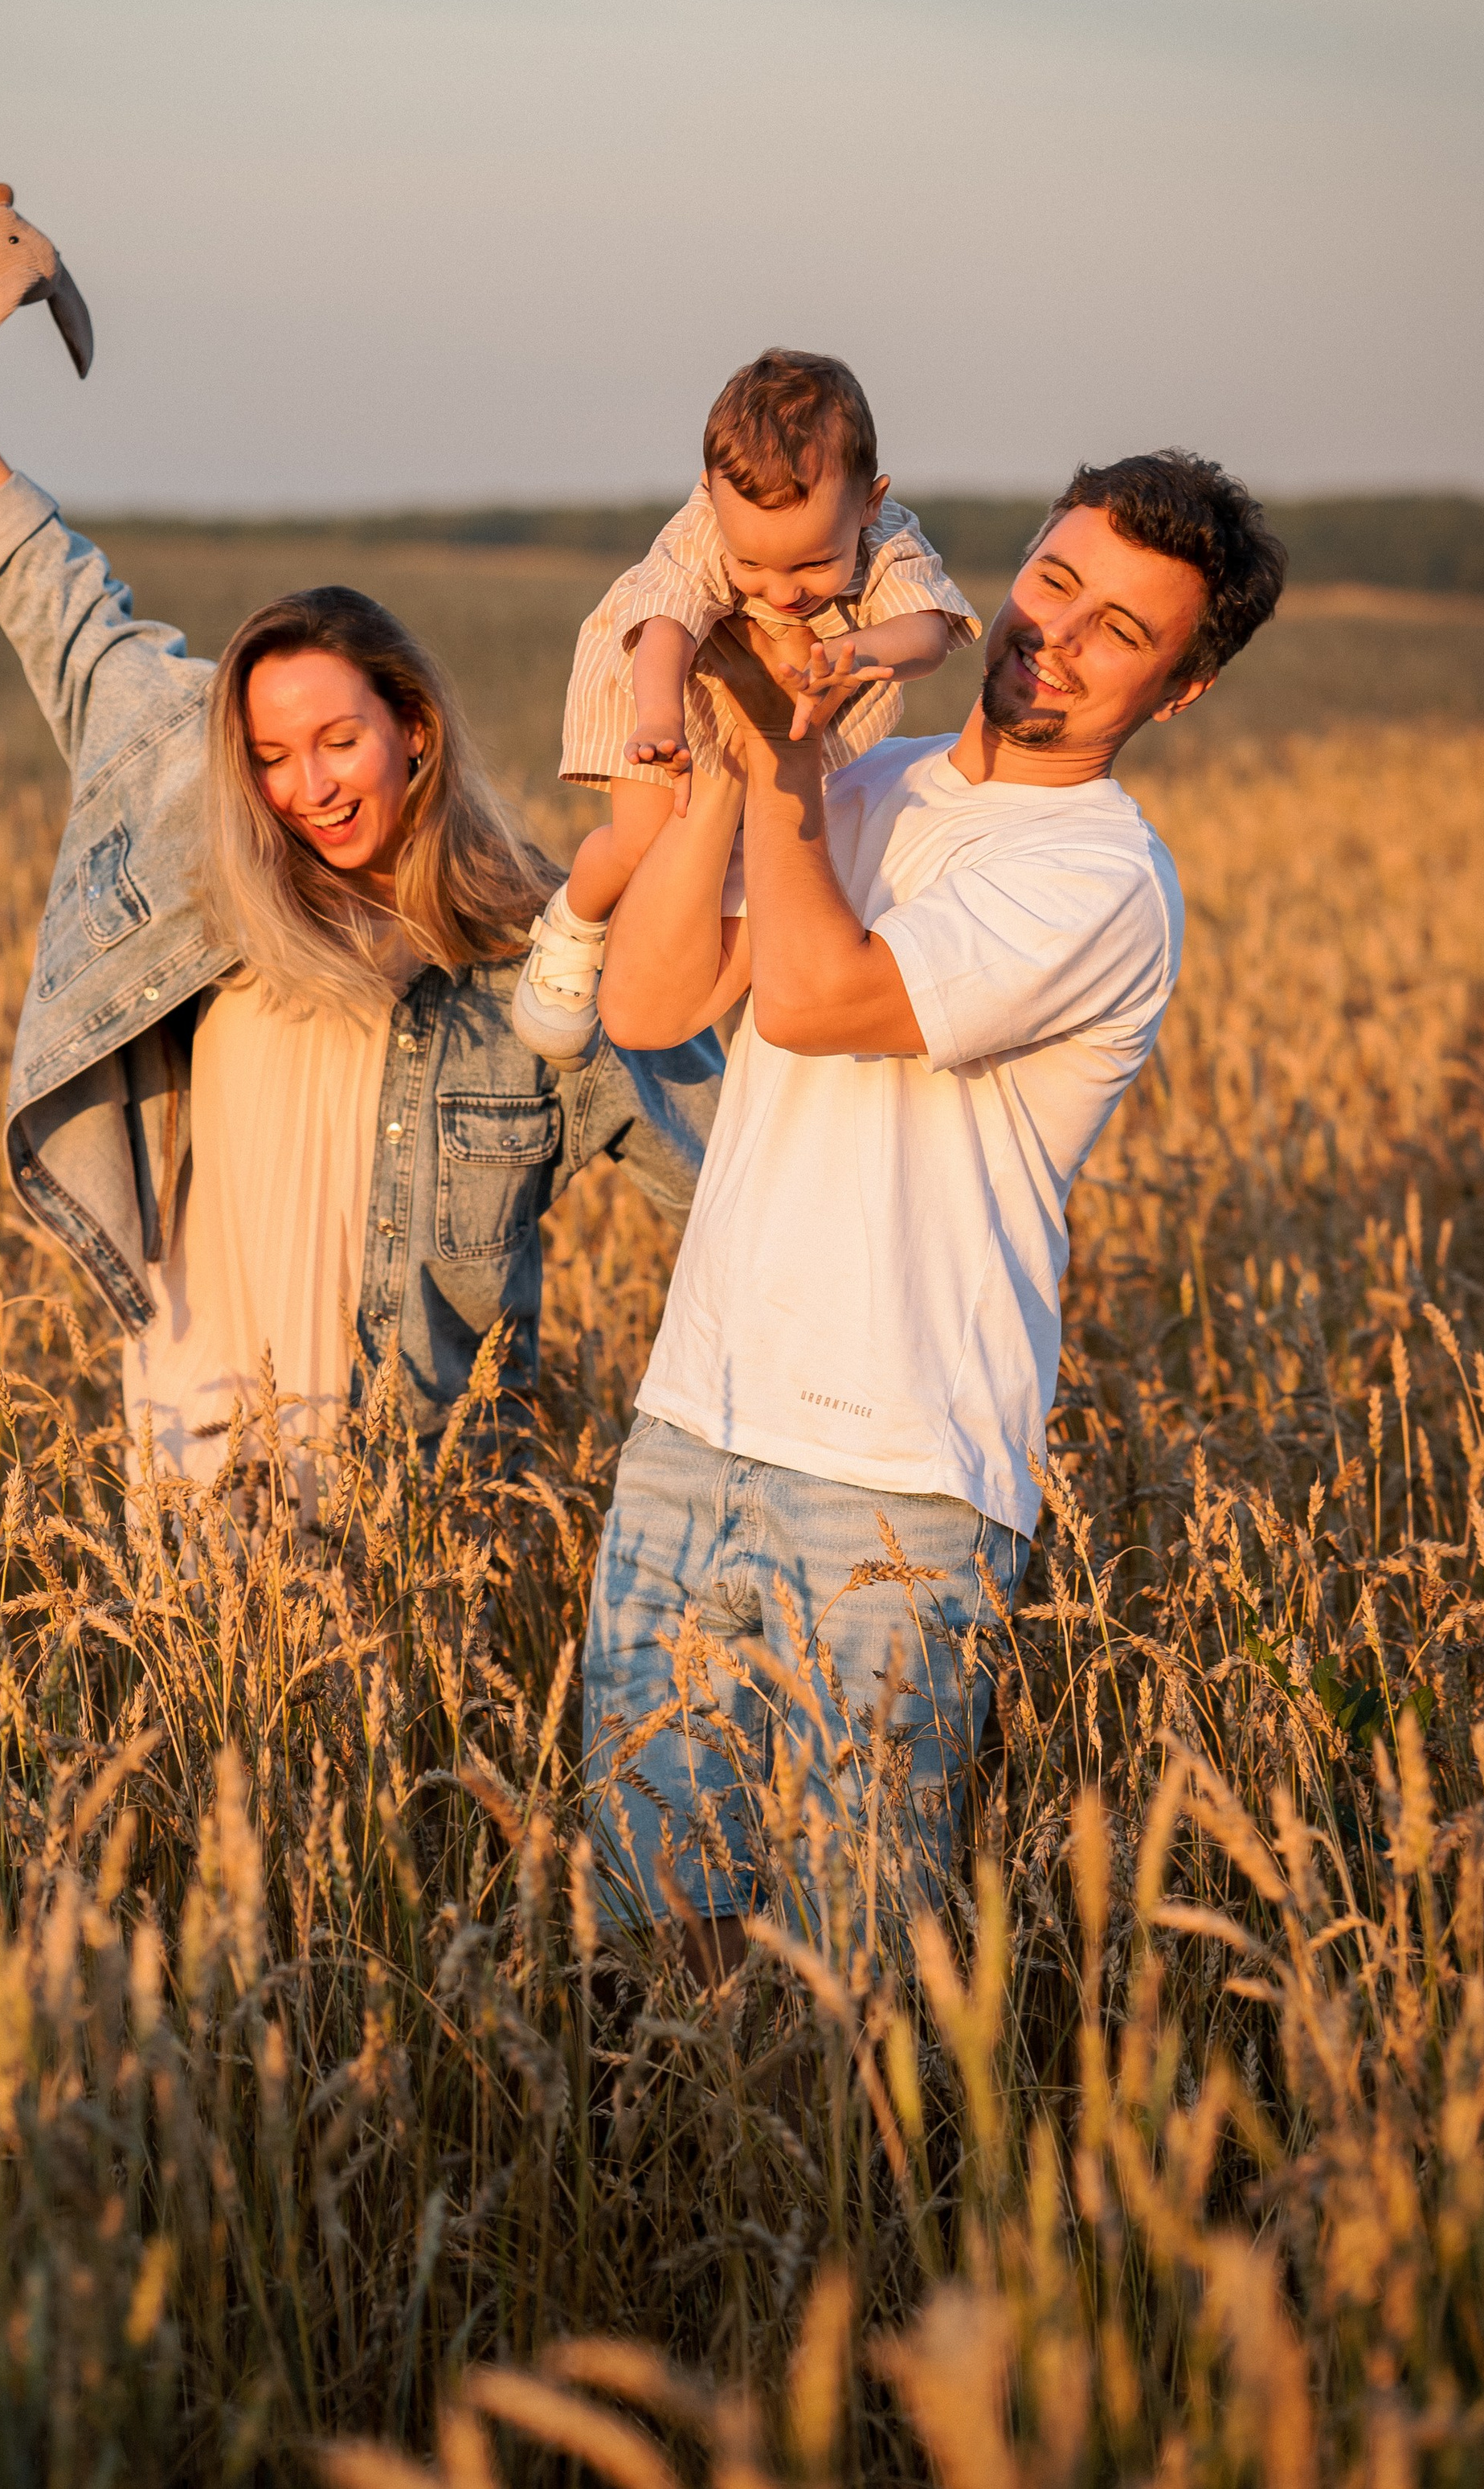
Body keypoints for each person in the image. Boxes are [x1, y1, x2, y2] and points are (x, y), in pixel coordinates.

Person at [586, 448, 1287, 1959]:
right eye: (1056, 581)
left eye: (1122, 633)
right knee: (655, 1938)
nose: (1059, 635)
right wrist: (734, 746)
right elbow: (649, 1006)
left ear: (1178, 694)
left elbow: (827, 998)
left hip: (895, 1487)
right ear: (1017, 561)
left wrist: (781, 754)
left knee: (850, 1971)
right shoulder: (864, 783)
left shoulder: (1104, 878)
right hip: (692, 1426)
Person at [0, 318, 725, 1523]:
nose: (310, 784)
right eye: (273, 754)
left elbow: (718, 1181)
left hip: (416, 1491)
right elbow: (64, 611)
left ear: (412, 728)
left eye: (340, 740)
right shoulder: (208, 871)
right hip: (197, 1450)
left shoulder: (531, 947)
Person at [512, 349, 980, 1064]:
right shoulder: (704, 526)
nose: (782, 590)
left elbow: (929, 630)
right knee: (643, 844)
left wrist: (855, 650)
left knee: (749, 861)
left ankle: (682, 980)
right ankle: (575, 919)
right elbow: (665, 623)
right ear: (709, 493)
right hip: (663, 689)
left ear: (870, 504)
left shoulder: (891, 543)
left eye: (814, 564)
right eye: (752, 565)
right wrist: (660, 716)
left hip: (794, 714)